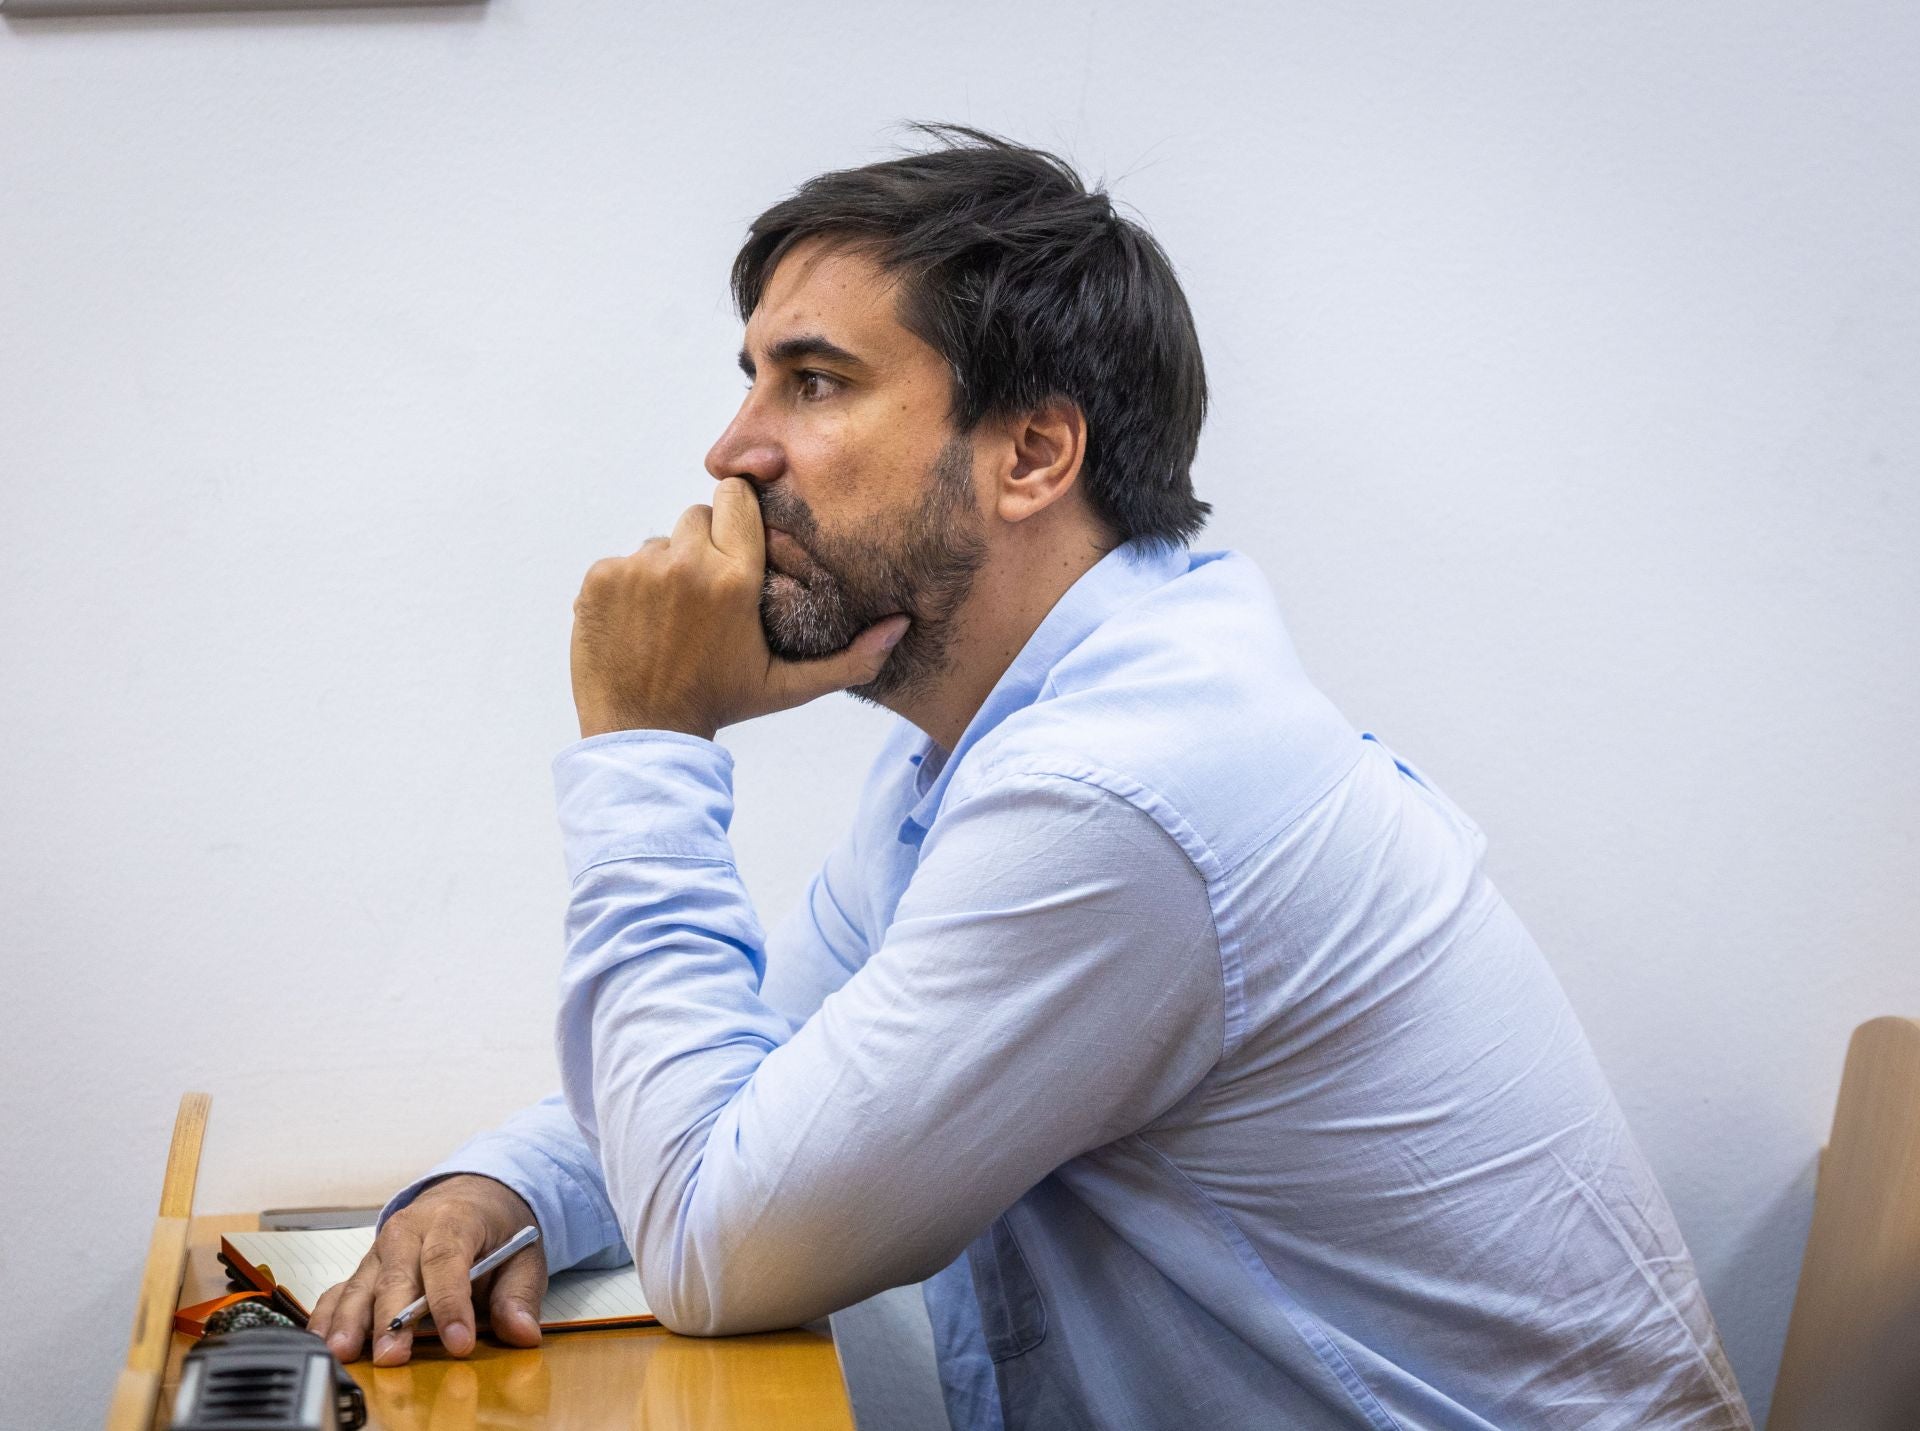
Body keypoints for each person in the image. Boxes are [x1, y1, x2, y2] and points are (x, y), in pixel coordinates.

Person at [309, 127, 1753, 1429]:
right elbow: (758, 1067)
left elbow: (712, 1242)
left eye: (813, 382)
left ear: (1035, 453)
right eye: (752, 379)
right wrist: (488, 1187)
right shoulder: (998, 742)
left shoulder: (1122, 795)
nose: (735, 452)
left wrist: (645, 747)